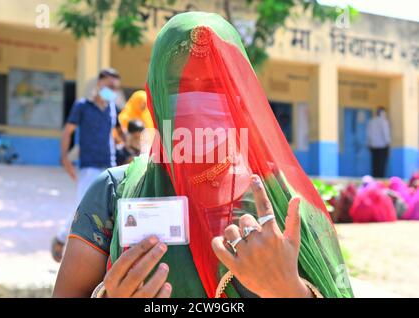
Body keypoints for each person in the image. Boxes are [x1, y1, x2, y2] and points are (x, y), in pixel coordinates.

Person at [53, 12, 353, 298]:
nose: (195, 100)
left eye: (213, 85)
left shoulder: (286, 207)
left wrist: (288, 289)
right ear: (154, 96)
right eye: (178, 86)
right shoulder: (112, 195)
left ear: (239, 94)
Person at [51, 68, 121, 262]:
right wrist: (65, 158)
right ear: (99, 83)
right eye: (109, 85)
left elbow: (114, 134)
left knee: (111, 208)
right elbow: (68, 132)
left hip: (110, 164)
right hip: (89, 166)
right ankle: (61, 239)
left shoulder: (112, 107)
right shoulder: (82, 106)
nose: (112, 90)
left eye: (115, 87)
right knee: (83, 207)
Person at [367, 106, 391, 178]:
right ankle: (381, 178)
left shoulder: (371, 121)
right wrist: (388, 143)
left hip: (373, 146)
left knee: (375, 163)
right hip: (382, 146)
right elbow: (385, 134)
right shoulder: (384, 121)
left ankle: (374, 177)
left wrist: (369, 144)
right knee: (381, 164)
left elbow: (369, 134)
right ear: (383, 113)